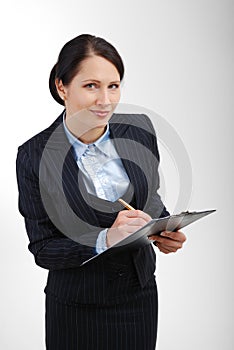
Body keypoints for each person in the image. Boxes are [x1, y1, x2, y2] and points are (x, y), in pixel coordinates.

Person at [16, 34, 186, 350]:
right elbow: (43, 248)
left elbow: (150, 198)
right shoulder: (34, 156)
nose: (105, 100)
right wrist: (105, 239)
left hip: (139, 295)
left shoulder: (140, 130)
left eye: (113, 85)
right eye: (91, 86)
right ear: (62, 87)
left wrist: (163, 228)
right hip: (77, 308)